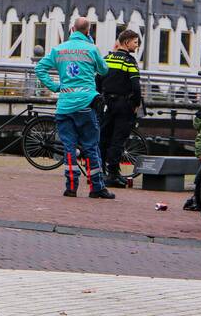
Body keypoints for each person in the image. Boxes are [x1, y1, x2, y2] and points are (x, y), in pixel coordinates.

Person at [35, 17, 114, 199]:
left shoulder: (58, 50)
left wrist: (55, 87)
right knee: (91, 147)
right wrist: (91, 44)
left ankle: (71, 187)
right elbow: (104, 70)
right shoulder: (91, 49)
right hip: (86, 104)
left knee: (69, 147)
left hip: (64, 106)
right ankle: (97, 188)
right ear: (88, 31)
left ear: (71, 29)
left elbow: (40, 68)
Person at [97, 29, 143, 188]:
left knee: (103, 138)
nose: (137, 46)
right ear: (126, 42)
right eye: (135, 42)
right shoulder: (129, 61)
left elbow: (97, 79)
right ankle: (113, 175)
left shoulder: (107, 58)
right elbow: (136, 86)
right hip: (124, 105)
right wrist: (136, 103)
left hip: (106, 104)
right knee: (118, 140)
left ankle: (99, 172)